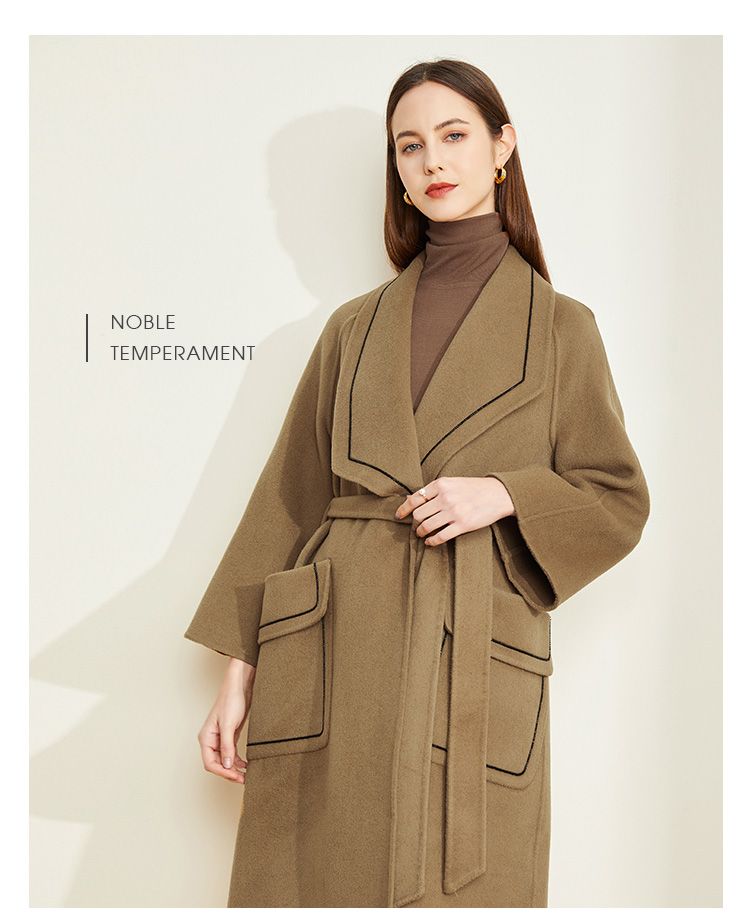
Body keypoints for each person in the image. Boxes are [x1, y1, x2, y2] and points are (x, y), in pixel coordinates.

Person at [184, 58, 650, 908]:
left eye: (453, 134)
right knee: (317, 877)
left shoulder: (561, 330)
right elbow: (288, 500)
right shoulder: (352, 328)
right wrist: (238, 673)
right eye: (409, 145)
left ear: (502, 147)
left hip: (468, 654)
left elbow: (617, 496)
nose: (432, 160)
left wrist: (505, 493)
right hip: (336, 651)